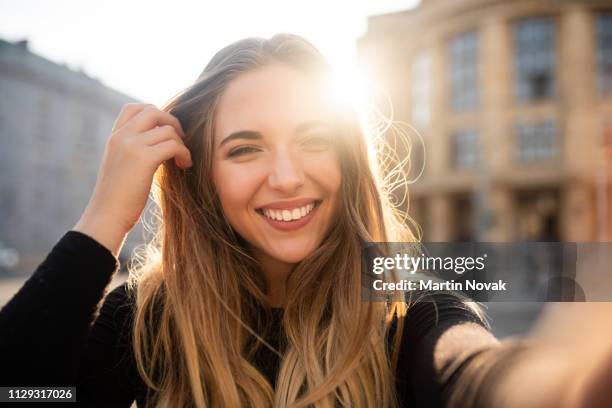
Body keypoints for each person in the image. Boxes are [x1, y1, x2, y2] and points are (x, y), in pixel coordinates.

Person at [0, 33, 610, 408]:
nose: (287, 176)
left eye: (314, 140)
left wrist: (569, 387)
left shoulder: (411, 303)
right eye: (245, 148)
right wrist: (104, 219)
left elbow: (475, 373)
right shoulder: (151, 314)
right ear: (201, 175)